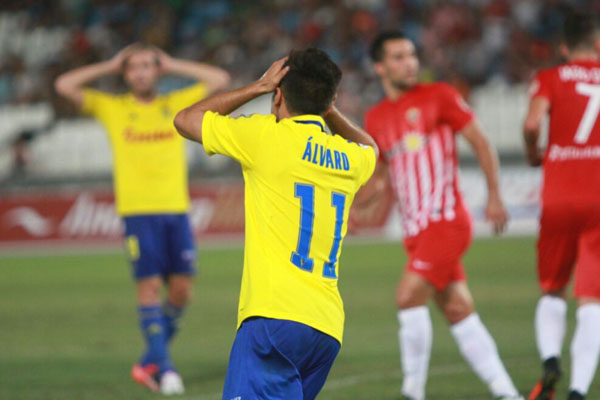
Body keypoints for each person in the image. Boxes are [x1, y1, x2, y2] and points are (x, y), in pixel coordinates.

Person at [174, 48, 378, 400]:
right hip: (325, 329)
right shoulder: (351, 158)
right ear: (329, 99)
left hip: (273, 320)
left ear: (279, 93)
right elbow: (370, 147)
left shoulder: (264, 137)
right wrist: (327, 109)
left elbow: (185, 120)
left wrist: (257, 86)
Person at [54, 43, 230, 395]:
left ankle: (148, 359)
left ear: (157, 71)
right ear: (126, 73)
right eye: (133, 67)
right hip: (138, 213)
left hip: (176, 210)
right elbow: (64, 86)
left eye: (148, 66)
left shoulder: (174, 103)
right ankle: (164, 369)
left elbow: (220, 79)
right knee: (149, 289)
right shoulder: (113, 107)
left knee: (182, 290)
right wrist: (108, 64)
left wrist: (173, 61)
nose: (141, 72)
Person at [363, 31, 523, 400]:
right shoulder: (375, 118)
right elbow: (382, 177)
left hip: (446, 221)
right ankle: (508, 393)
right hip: (415, 231)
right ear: (379, 67)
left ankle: (412, 392)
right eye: (399, 57)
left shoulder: (439, 96)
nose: (410, 63)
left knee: (407, 297)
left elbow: (481, 142)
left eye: (412, 55)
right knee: (457, 309)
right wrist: (357, 206)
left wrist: (495, 196)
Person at [523, 12, 600, 400]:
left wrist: (534, 155)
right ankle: (578, 389)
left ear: (565, 47)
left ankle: (551, 357)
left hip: (558, 196)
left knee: (553, 289)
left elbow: (533, 124)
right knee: (592, 298)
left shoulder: (551, 78)